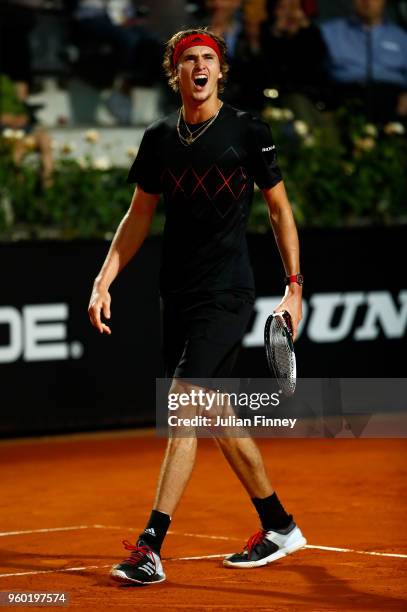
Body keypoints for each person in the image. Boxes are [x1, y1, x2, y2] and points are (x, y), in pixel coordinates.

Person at [88, 27, 306, 585]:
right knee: (214, 413)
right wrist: (105, 277)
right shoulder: (159, 137)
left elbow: (279, 211)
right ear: (176, 72)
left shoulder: (247, 131)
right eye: (190, 60)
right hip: (177, 295)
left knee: (185, 406)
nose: (200, 67)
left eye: (209, 58)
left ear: (220, 71)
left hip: (227, 293)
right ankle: (279, 524)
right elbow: (139, 215)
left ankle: (150, 545)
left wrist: (294, 286)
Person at [321, 0, 407, 122]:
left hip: (393, 101)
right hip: (345, 99)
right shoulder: (329, 32)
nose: (367, 1)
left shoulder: (401, 37)